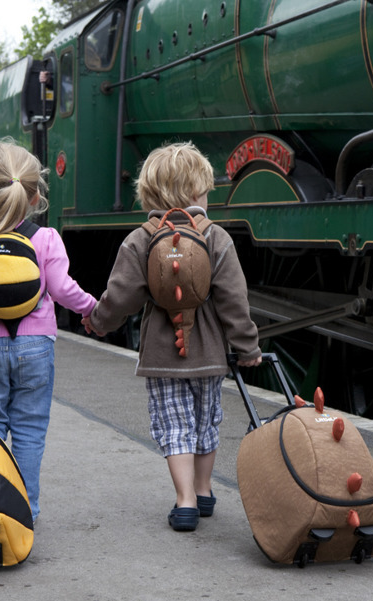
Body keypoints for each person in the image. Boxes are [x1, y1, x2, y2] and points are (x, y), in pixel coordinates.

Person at [82, 141, 261, 532]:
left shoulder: (141, 238)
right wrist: (248, 348)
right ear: (199, 191)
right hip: (210, 354)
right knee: (205, 423)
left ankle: (184, 502)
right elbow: (234, 299)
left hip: (163, 356)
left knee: (173, 425)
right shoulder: (216, 237)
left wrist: (98, 321)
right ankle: (204, 489)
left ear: (149, 193)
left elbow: (120, 296)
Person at [0, 138, 97, 525]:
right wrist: (94, 309)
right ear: (33, 197)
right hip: (36, 348)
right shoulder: (45, 239)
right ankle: (25, 509)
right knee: (29, 431)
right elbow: (63, 290)